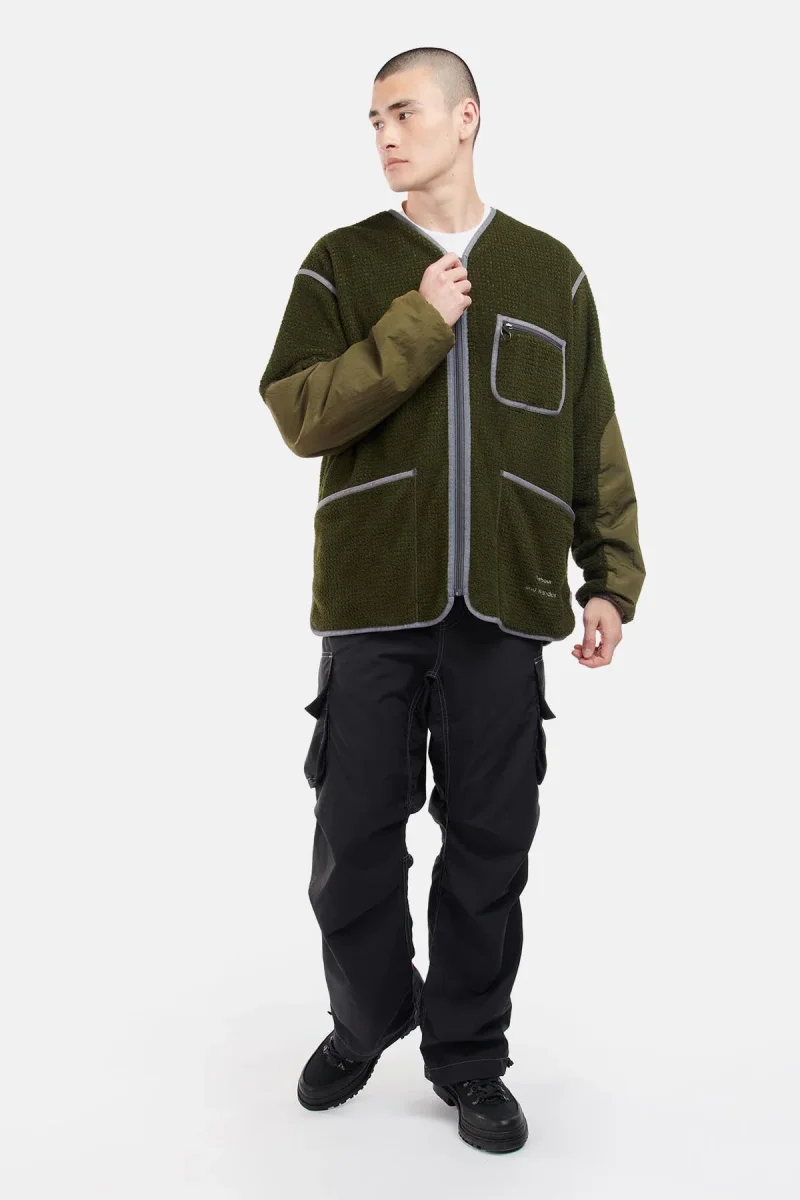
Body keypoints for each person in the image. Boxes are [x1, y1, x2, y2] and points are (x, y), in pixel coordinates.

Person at [258, 46, 645, 1154]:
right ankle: (366, 1019)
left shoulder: (549, 272)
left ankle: (469, 1056)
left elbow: (591, 436)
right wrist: (416, 323)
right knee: (352, 841)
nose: (384, 134)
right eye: (372, 119)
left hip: (507, 608)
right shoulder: (343, 262)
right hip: (374, 601)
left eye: (404, 112)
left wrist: (609, 576)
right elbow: (298, 413)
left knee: (489, 848)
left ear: (465, 117)